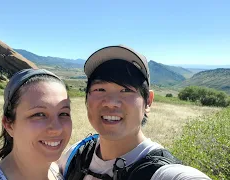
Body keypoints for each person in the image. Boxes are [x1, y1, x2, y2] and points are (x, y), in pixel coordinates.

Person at [57, 45, 211, 180]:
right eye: (100, 89)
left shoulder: (161, 172)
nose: (111, 102)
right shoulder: (77, 154)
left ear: (148, 101)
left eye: (126, 90)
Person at [0, 68, 72, 180]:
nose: (57, 128)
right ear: (9, 124)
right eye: (39, 114)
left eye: (63, 113)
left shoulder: (56, 169)